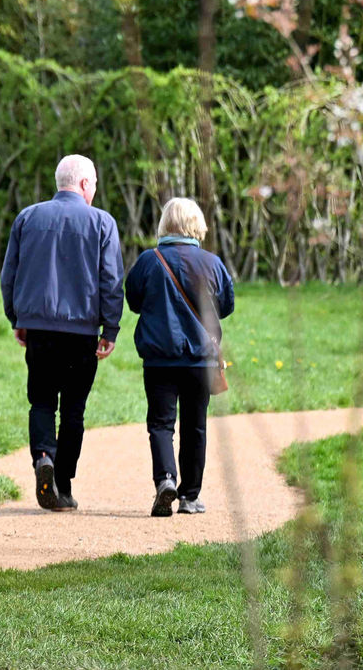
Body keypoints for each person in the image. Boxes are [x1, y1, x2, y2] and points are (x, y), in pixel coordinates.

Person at [0, 154, 124, 511]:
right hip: (81, 332)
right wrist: (110, 327)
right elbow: (111, 281)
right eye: (94, 183)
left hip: (39, 329)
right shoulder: (102, 222)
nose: (94, 190)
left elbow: (9, 274)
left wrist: (16, 318)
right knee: (73, 410)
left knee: (40, 401)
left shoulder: (28, 217)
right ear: (84, 183)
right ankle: (63, 484)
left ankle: (43, 457)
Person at [124, 197, 236, 517]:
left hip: (159, 357)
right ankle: (190, 496)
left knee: (161, 424)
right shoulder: (212, 263)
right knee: (195, 426)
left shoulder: (148, 260)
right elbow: (226, 305)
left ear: (165, 224)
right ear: (197, 225)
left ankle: (165, 480)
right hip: (200, 359)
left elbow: (133, 301)